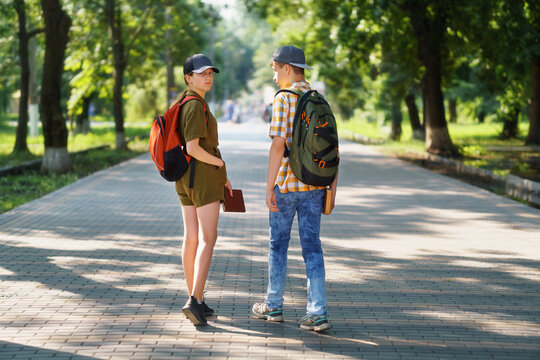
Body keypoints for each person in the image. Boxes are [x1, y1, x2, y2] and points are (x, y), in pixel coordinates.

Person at [252, 45, 338, 332]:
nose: (275, 77)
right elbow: (332, 149)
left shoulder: (283, 99)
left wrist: (268, 187)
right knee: (313, 248)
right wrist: (332, 190)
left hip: (287, 187)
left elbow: (278, 145)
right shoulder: (318, 100)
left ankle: (273, 306)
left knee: (278, 246)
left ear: (287, 68)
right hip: (315, 186)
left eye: (276, 70)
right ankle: (318, 312)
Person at [175, 53, 233, 326]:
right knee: (209, 238)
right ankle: (194, 301)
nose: (208, 77)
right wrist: (220, 164)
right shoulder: (196, 105)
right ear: (189, 78)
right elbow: (193, 147)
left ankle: (195, 298)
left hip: (184, 178)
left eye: (210, 73)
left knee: (192, 239)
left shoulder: (183, 101)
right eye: (202, 73)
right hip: (203, 177)